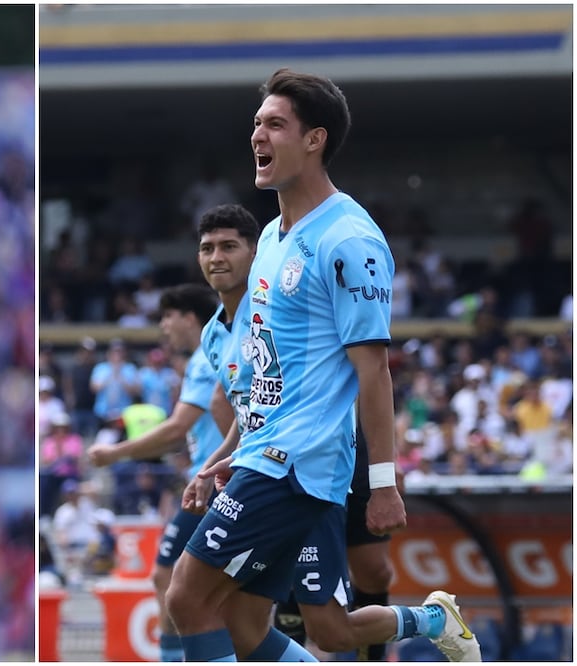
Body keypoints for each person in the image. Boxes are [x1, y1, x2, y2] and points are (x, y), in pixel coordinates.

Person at [164, 68, 480, 662]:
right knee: (247, 621)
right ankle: (433, 619)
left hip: (301, 464)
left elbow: (374, 371)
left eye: (275, 124)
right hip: (268, 454)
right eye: (257, 123)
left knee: (187, 597)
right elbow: (274, 371)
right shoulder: (277, 240)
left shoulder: (349, 240)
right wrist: (239, 451)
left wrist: (382, 484)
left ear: (315, 140)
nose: (258, 134)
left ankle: (432, 620)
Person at [87, 282, 229, 662]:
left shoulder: (205, 357)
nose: (163, 326)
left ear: (188, 318)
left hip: (216, 484)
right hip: (216, 478)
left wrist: (115, 453)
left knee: (167, 577)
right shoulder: (218, 350)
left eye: (168, 316)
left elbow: (175, 429)